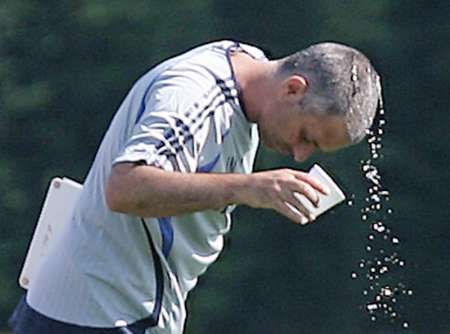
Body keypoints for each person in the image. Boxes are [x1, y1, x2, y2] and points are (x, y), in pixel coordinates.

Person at [9, 40, 381, 333]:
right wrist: (246, 188)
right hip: (95, 316)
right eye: (306, 136)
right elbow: (125, 187)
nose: (300, 155)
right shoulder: (195, 95)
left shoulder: (247, 70)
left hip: (114, 314)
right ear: (293, 89)